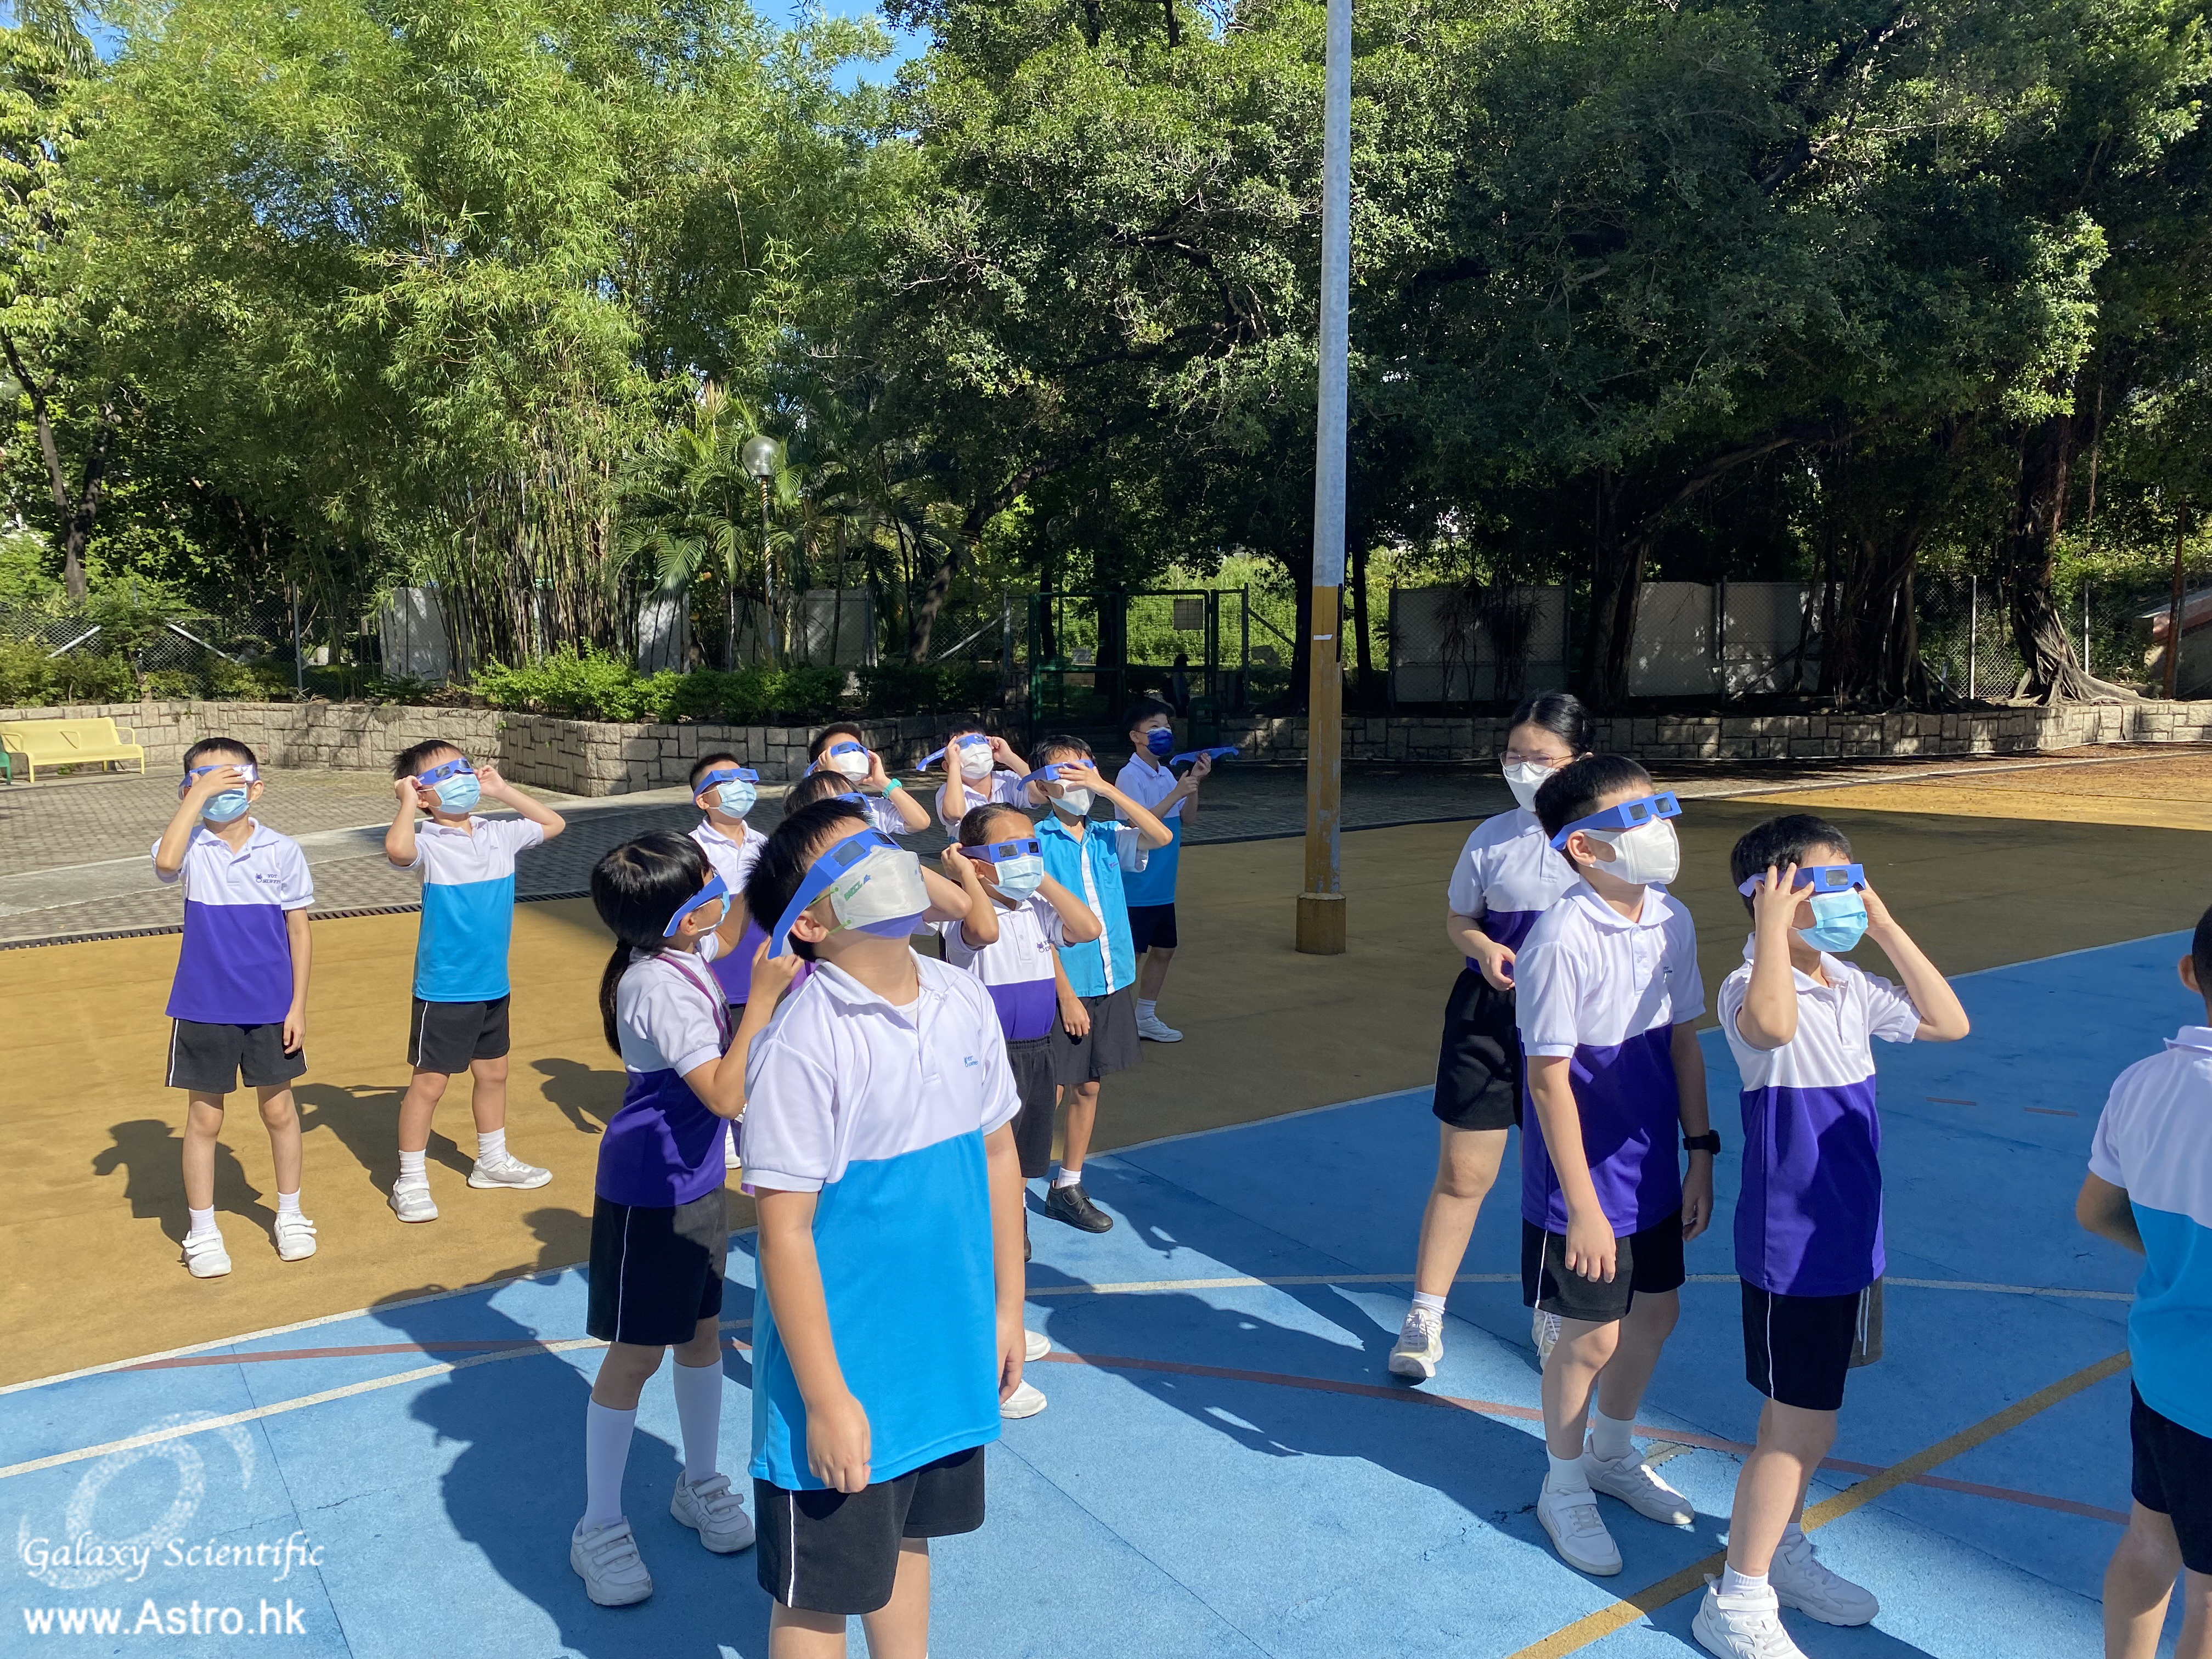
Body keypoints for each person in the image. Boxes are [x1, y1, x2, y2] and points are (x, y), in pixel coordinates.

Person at [739, 800, 1029, 1658]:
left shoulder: (960, 995)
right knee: (819, 1597)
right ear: (810, 924)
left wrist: (1008, 1309)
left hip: (942, 1354)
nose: (887, 859)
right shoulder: (803, 1041)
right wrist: (827, 1402)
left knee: (906, 1538)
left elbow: (999, 1156)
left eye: (883, 843)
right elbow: (784, 1234)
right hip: (847, 1372)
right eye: (853, 857)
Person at [1695, 815, 1970, 1659]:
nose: (1851, 896)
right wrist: (1773, 929)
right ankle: (1738, 1598)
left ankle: (1780, 1548)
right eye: (1833, 883)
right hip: (1793, 1247)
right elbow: (1773, 1029)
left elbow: (1948, 1022)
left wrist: (1884, 926)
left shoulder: (1850, 986)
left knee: (1814, 1422)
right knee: (1796, 1429)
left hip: (1852, 1237)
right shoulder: (1748, 988)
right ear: (1773, 895)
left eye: (1857, 880)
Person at [570, 832, 803, 1606]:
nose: (717, 892)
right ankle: (599, 1525)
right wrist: (762, 999)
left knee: (702, 1336)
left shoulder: (683, 950)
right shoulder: (657, 986)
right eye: (706, 886)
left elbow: (730, 932)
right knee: (636, 1356)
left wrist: (773, 884)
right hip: (651, 1189)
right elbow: (725, 1095)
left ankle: (698, 1482)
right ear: (678, 916)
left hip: (693, 1180)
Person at [1517, 754, 1713, 1576]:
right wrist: (1585, 1208)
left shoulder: (1672, 918)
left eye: (1659, 809)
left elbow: (1682, 1041)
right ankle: (1563, 1483)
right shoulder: (1560, 939)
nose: (1658, 830)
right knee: (1589, 1339)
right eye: (1635, 818)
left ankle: (1611, 1452)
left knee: (1656, 1316)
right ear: (1583, 848)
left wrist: (1700, 1152)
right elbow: (1548, 1080)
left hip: (1655, 1166)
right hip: (1584, 1184)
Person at [1390, 692, 1589, 1381]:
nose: (1524, 770)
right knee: (1463, 1173)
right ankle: (1425, 1315)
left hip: (1574, 1029)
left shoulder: (1605, 845)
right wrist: (1481, 947)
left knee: (1562, 1171)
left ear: (1579, 762)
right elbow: (1460, 918)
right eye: (1513, 756)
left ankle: (1553, 1310)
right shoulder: (1491, 837)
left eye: (1542, 759)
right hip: (1489, 1017)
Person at [940, 802, 1104, 1416]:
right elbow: (982, 933)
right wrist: (966, 875)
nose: (1026, 859)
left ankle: (1001, 1318)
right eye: (1009, 851)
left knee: (1019, 1183)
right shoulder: (963, 911)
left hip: (1036, 1054)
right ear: (975, 861)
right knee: (988, 1198)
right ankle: (984, 1346)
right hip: (988, 1062)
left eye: (1032, 847)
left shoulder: (1036, 906)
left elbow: (1088, 927)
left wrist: (1042, 878)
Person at [2079, 904, 2212, 1659]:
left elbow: (2096, 1210)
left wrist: (2178, 1258)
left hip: (2163, 1367)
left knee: (2149, 1540)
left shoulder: (2144, 1082)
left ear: (2190, 974)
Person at [152, 738, 316, 1278]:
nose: (220, 789)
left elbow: (299, 932)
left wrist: (298, 1006)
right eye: (205, 779)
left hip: (271, 1006)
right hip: (204, 1005)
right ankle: (202, 1231)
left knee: (279, 1111)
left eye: (231, 779)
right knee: (205, 1118)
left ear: (256, 788)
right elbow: (166, 863)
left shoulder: (283, 850)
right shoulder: (190, 846)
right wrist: (196, 798)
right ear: (188, 790)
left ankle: (290, 1214)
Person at [383, 740, 567, 1222]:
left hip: (493, 984)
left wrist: (503, 791)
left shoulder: (497, 833)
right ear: (422, 793)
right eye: (444, 774)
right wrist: (406, 803)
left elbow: (554, 824)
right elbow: (397, 850)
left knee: (494, 1074)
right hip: (445, 988)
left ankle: (491, 1161)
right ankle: (410, 1180)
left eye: (463, 767)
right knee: (429, 1085)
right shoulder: (427, 842)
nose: (462, 778)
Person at [1024, 735, 1173, 1233]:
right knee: (1049, 1090)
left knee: (1089, 1084)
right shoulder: (1035, 842)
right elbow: (1036, 927)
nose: (1079, 780)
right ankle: (1009, 1193)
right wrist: (1065, 994)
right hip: (1064, 986)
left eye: (1085, 768)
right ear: (1044, 786)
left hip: (1111, 980)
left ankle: (1067, 1184)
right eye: (1065, 772)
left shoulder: (1109, 834)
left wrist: (1108, 789)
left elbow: (1161, 836)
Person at [1113, 697, 1214, 1043]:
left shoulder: (1167, 773)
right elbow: (1136, 823)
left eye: (1167, 727)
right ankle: (1117, 1019)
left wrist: (1193, 784)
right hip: (1137, 883)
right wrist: (1176, 793)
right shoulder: (1129, 776)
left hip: (1163, 883)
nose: (1164, 733)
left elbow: (1188, 818)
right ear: (1135, 736)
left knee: (1164, 949)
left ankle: (1145, 1016)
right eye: (1154, 728)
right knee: (1133, 954)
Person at [689, 752, 769, 1170]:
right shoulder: (691, 849)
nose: (740, 788)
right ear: (703, 800)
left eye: (744, 778)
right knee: (718, 1050)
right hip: (715, 967)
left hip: (762, 967)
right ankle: (719, 1132)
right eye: (726, 781)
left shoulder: (765, 845)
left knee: (759, 1047)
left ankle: (755, 1125)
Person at [806, 722, 930, 837]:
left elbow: (920, 822)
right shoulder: (811, 810)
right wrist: (833, 778)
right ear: (818, 768)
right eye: (843, 750)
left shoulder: (875, 807)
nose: (853, 755)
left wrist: (883, 782)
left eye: (858, 749)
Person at [926, 721, 1030, 833]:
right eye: (962, 745)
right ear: (947, 766)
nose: (975, 748)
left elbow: (1040, 792)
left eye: (980, 741)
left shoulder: (1007, 780)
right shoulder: (947, 792)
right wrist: (954, 766)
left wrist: (1009, 757)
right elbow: (955, 814)